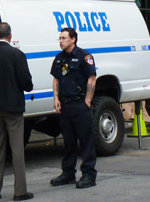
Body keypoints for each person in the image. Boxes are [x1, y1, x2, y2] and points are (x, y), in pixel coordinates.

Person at [0, 22, 34, 202]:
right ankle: (20, 192)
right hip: (14, 107)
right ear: (10, 36)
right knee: (17, 149)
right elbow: (26, 82)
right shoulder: (17, 54)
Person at [50, 27, 97, 189]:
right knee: (69, 141)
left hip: (79, 104)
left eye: (63, 38)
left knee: (86, 141)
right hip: (65, 105)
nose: (61, 41)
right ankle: (68, 173)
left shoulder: (84, 56)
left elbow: (92, 78)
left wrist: (87, 101)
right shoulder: (59, 58)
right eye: (60, 38)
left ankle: (89, 174)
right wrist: (56, 98)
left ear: (73, 39)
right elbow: (56, 79)